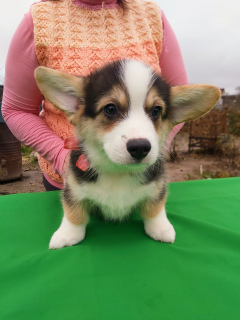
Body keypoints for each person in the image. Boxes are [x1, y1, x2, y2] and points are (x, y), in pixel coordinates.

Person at [2, 0, 188, 191]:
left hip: (139, 181)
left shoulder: (151, 15)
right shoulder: (41, 19)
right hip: (76, 181)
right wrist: (60, 156)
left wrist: (155, 148)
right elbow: (16, 109)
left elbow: (177, 103)